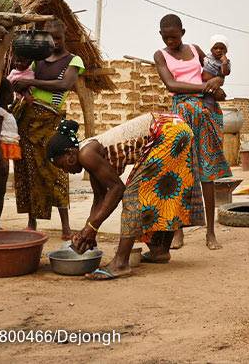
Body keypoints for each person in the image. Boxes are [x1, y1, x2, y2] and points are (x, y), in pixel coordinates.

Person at [48, 115, 205, 280]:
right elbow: (100, 198)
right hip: (175, 127)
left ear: (70, 154)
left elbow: (117, 189)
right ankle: (160, 251)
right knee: (161, 192)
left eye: (61, 165)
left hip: (167, 131)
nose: (65, 171)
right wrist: (89, 230)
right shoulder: (87, 153)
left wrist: (91, 228)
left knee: (132, 195)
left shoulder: (86, 154)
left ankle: (120, 263)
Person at [153, 14, 230, 250]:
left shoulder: (196, 50)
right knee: (180, 172)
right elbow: (171, 85)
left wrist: (216, 82)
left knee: (206, 173)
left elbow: (216, 73)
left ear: (183, 33)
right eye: (166, 38)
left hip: (205, 113)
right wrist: (204, 87)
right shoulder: (160, 55)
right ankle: (178, 232)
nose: (171, 41)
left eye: (174, 37)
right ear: (161, 35)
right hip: (182, 114)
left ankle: (210, 232)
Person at [10, 19, 85, 238]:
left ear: (65, 35)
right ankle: (32, 223)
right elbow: (22, 79)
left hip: (50, 120)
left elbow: (64, 85)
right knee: (28, 170)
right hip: (28, 120)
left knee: (56, 170)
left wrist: (32, 85)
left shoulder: (74, 60)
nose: (54, 42)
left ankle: (66, 227)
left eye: (58, 38)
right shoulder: (37, 60)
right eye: (50, 38)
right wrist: (22, 89)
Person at [0, 79, 20, 230]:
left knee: (0, 190)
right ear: (2, 95)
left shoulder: (7, 111)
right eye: (10, 92)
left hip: (4, 152)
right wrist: (0, 158)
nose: (12, 95)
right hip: (0, 152)